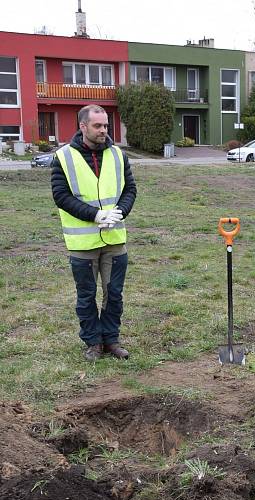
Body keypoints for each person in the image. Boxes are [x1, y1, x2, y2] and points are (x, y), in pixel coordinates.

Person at [51, 104, 137, 361]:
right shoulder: (64, 157)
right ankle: (92, 342)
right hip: (82, 242)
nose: (103, 130)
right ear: (83, 127)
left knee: (114, 294)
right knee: (86, 296)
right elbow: (61, 196)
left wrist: (120, 211)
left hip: (114, 239)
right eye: (98, 126)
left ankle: (111, 339)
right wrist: (95, 215)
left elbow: (130, 189)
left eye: (106, 126)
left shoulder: (118, 155)